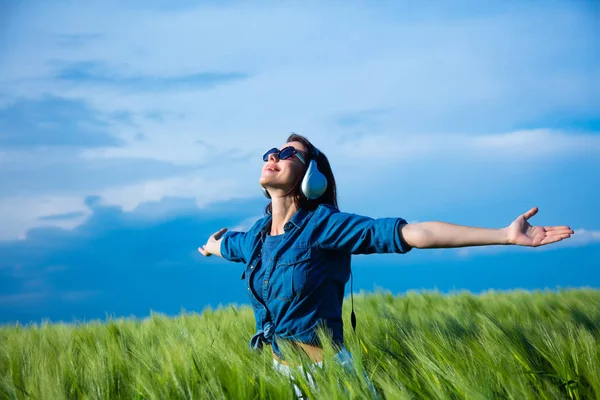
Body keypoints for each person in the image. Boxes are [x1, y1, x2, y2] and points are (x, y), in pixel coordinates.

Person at [198, 133, 573, 395]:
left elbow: (410, 233)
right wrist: (211, 246)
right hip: (280, 373)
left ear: (313, 176)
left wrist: (503, 235)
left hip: (329, 376)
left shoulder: (324, 225)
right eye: (271, 152)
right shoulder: (258, 237)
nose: (274, 156)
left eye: (289, 153)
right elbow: (229, 245)